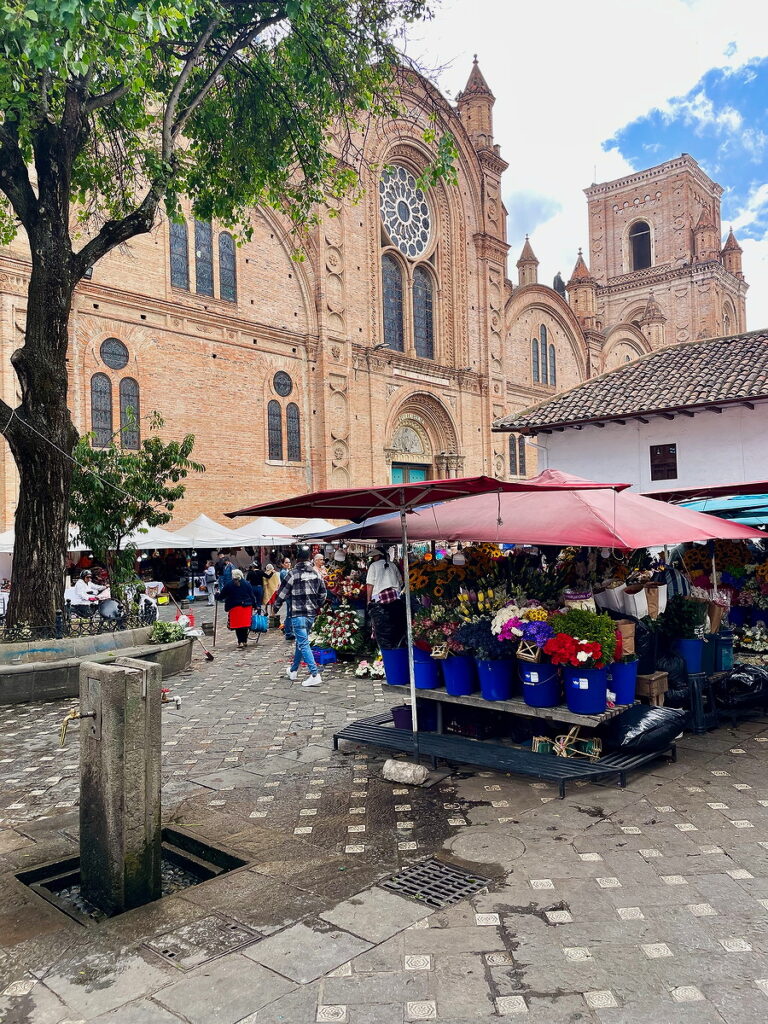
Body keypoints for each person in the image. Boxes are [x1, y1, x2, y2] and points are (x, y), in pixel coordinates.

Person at [274, 545, 327, 686]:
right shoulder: (316, 573)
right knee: (300, 641)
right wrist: (318, 604)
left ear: (297, 558)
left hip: (297, 613)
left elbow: (282, 593)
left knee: (303, 643)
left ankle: (315, 674)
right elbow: (323, 593)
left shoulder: (292, 573)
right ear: (310, 558)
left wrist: (275, 608)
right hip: (311, 614)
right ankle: (293, 671)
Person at [366, 546, 406, 649]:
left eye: (374, 556)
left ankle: (385, 649)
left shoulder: (373, 566)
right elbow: (400, 582)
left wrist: (368, 600)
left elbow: (370, 585)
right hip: (395, 598)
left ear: (379, 555)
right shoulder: (392, 565)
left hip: (379, 599)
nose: (373, 558)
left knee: (382, 627)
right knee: (395, 624)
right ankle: (396, 646)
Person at [216, 569, 257, 648]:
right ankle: (244, 641)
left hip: (235, 607)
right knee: (244, 625)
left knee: (238, 626)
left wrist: (217, 596)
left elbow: (222, 595)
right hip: (246, 607)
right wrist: (255, 605)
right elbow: (252, 596)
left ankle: (240, 641)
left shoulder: (229, 584)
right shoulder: (247, 584)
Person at [279, 556, 294, 640]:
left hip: (290, 595)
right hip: (288, 595)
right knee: (289, 614)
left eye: (289, 562)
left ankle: (289, 630)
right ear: (282, 564)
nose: (288, 564)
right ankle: (288, 632)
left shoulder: (288, 571)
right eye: (286, 562)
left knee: (290, 613)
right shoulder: (283, 573)